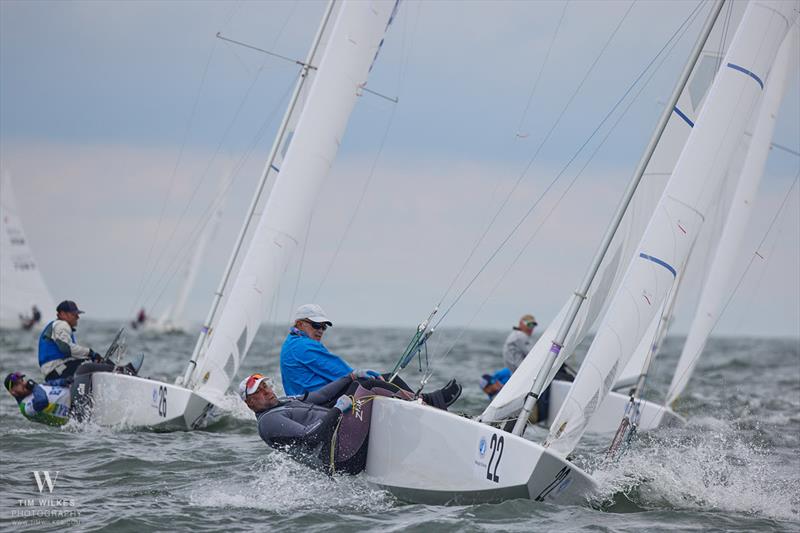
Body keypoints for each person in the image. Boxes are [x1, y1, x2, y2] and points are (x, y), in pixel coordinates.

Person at [279, 303, 462, 409]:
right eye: (316, 325)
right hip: (322, 404)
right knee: (385, 380)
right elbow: (344, 374)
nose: (321, 330)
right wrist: (375, 379)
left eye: (324, 327)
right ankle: (428, 404)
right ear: (300, 324)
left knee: (382, 382)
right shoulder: (304, 347)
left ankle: (422, 403)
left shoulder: (291, 343)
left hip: (311, 403)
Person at [241, 370, 421, 475]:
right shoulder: (268, 422)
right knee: (368, 387)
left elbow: (321, 396)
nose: (266, 391)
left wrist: (351, 376)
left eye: (266, 386)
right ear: (250, 403)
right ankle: (423, 405)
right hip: (342, 455)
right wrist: (337, 409)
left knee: (377, 378)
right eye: (259, 391)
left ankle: (422, 402)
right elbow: (311, 436)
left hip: (345, 439)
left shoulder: (284, 401)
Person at [38, 300, 103, 383]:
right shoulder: (61, 325)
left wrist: (89, 356)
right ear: (62, 314)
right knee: (90, 365)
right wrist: (90, 353)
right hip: (56, 371)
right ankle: (118, 371)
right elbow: (66, 348)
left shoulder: (56, 326)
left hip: (53, 372)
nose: (77, 317)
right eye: (74, 314)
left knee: (89, 362)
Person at [4, 372, 71, 426]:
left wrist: (65, 381)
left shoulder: (36, 389)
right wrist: (34, 386)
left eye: (22, 380)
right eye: (18, 384)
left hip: (74, 390)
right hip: (73, 409)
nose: (23, 383)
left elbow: (52, 383)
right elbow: (42, 402)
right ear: (13, 392)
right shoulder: (25, 407)